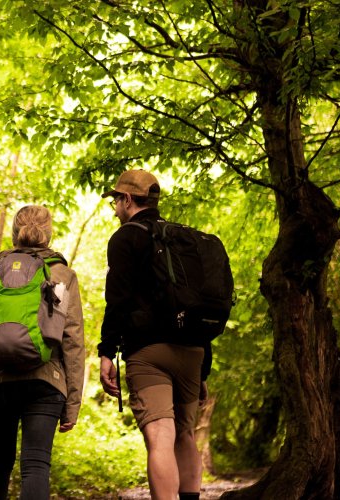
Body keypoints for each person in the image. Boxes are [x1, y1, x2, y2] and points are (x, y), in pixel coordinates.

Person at [97, 169, 208, 500]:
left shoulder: (125, 238)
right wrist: (204, 365)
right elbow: (199, 301)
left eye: (116, 200)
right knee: (185, 434)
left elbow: (117, 299)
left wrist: (106, 351)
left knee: (160, 433)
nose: (115, 207)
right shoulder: (182, 237)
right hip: (193, 348)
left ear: (128, 200)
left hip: (148, 352)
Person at [0, 205, 86, 500]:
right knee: (35, 465)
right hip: (45, 379)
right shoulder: (61, 273)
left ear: (14, 232)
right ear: (49, 233)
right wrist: (72, 402)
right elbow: (72, 338)